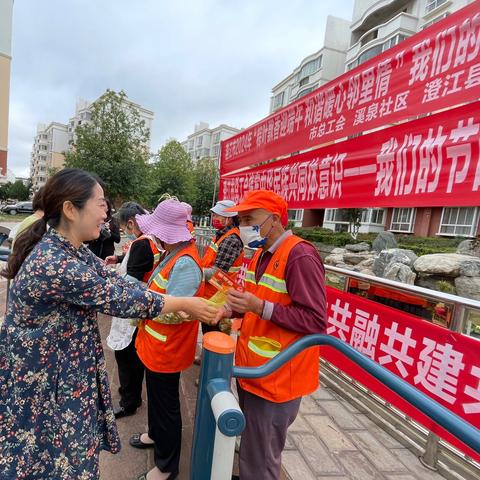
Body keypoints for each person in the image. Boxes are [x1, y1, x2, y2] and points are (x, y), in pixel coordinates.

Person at [0, 169, 218, 480]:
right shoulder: (55, 262)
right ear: (70, 209)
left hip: (59, 376)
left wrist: (172, 301)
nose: (108, 214)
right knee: (51, 462)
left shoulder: (69, 249)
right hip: (45, 386)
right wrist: (185, 303)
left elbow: (114, 282)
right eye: (101, 204)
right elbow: (115, 297)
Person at [215, 190, 327, 480]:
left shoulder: (300, 255)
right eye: (240, 220)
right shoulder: (261, 253)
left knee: (263, 458)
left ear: (274, 220)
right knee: (254, 446)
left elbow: (315, 321)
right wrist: (230, 310)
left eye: (249, 219)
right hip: (255, 372)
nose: (243, 227)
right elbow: (254, 303)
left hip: (278, 377)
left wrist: (259, 306)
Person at [129, 199, 205, 480]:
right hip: (155, 346)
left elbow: (177, 311)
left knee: (167, 407)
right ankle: (155, 434)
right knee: (158, 400)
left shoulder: (184, 263)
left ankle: (166, 466)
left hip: (167, 349)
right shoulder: (174, 254)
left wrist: (141, 300)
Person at [105, 201, 162, 419]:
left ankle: (129, 401)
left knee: (126, 354)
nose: (124, 232)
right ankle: (130, 392)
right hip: (143, 302)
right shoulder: (152, 240)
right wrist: (119, 259)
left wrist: (109, 283)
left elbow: (132, 278)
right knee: (133, 353)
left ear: (131, 223)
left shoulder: (141, 244)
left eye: (124, 227)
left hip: (133, 305)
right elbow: (138, 263)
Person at [201, 199, 243, 335]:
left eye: (218, 215)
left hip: (218, 296)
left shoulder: (230, 240)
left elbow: (217, 273)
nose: (215, 218)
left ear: (230, 218)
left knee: (214, 333)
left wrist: (196, 273)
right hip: (212, 294)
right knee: (208, 332)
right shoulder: (221, 235)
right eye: (214, 215)